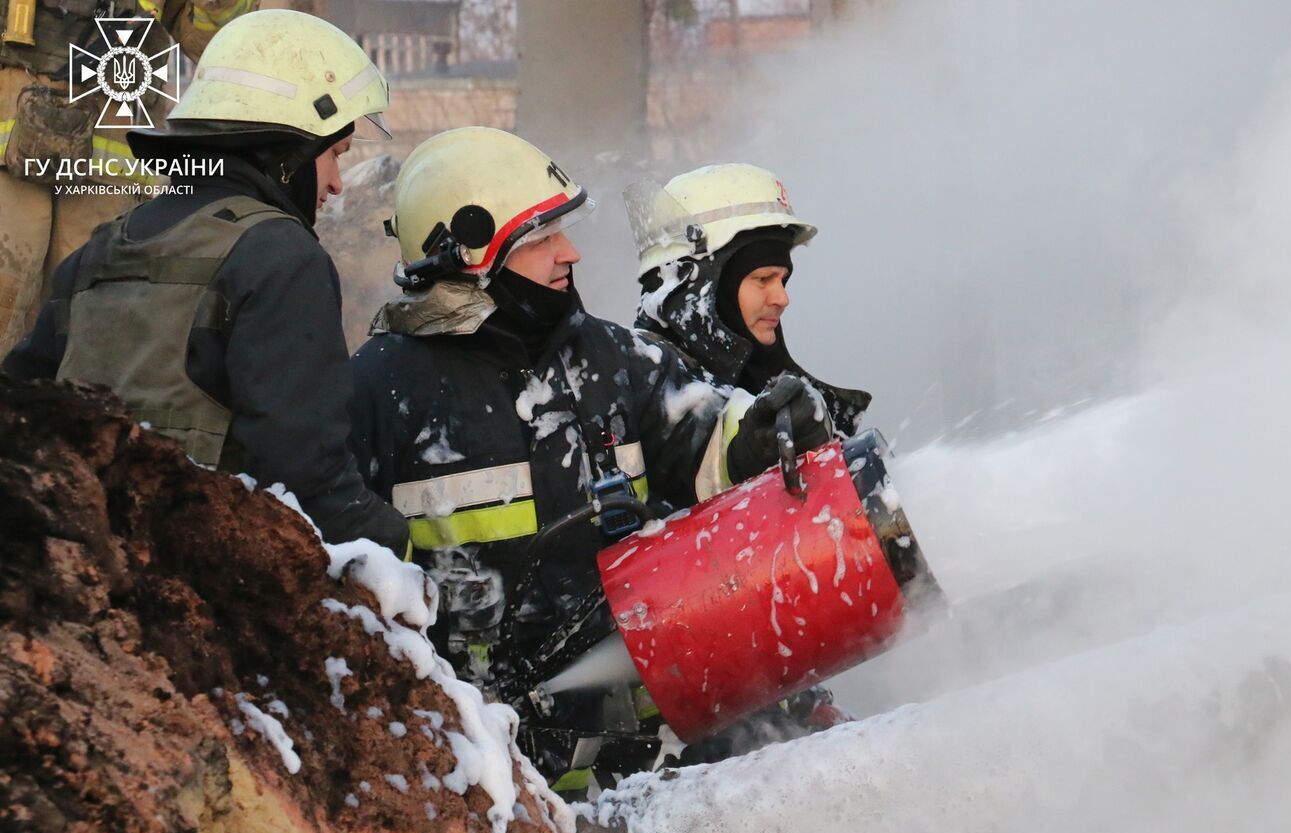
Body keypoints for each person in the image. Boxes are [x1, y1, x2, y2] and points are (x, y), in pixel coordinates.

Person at [348, 126, 833, 788]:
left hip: (632, 763)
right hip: (481, 776)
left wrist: (757, 431)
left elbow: (704, 441)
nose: (569, 252)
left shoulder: (613, 360)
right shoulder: (381, 391)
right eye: (542, 237)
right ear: (467, 250)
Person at [2, 9, 409, 556]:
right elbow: (308, 478)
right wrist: (402, 557)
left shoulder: (103, 245)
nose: (336, 184)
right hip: (208, 579)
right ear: (288, 153)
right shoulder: (280, 256)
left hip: (94, 570)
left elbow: (23, 408)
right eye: (335, 153)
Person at [0, 0, 256, 356]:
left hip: (111, 148)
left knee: (94, 304)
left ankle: (74, 407)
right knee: (7, 288)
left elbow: (213, 39)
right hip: (10, 135)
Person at [626, 162, 872, 437]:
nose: (782, 298)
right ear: (703, 288)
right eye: (763, 279)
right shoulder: (641, 398)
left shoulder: (773, 390)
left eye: (783, 279)